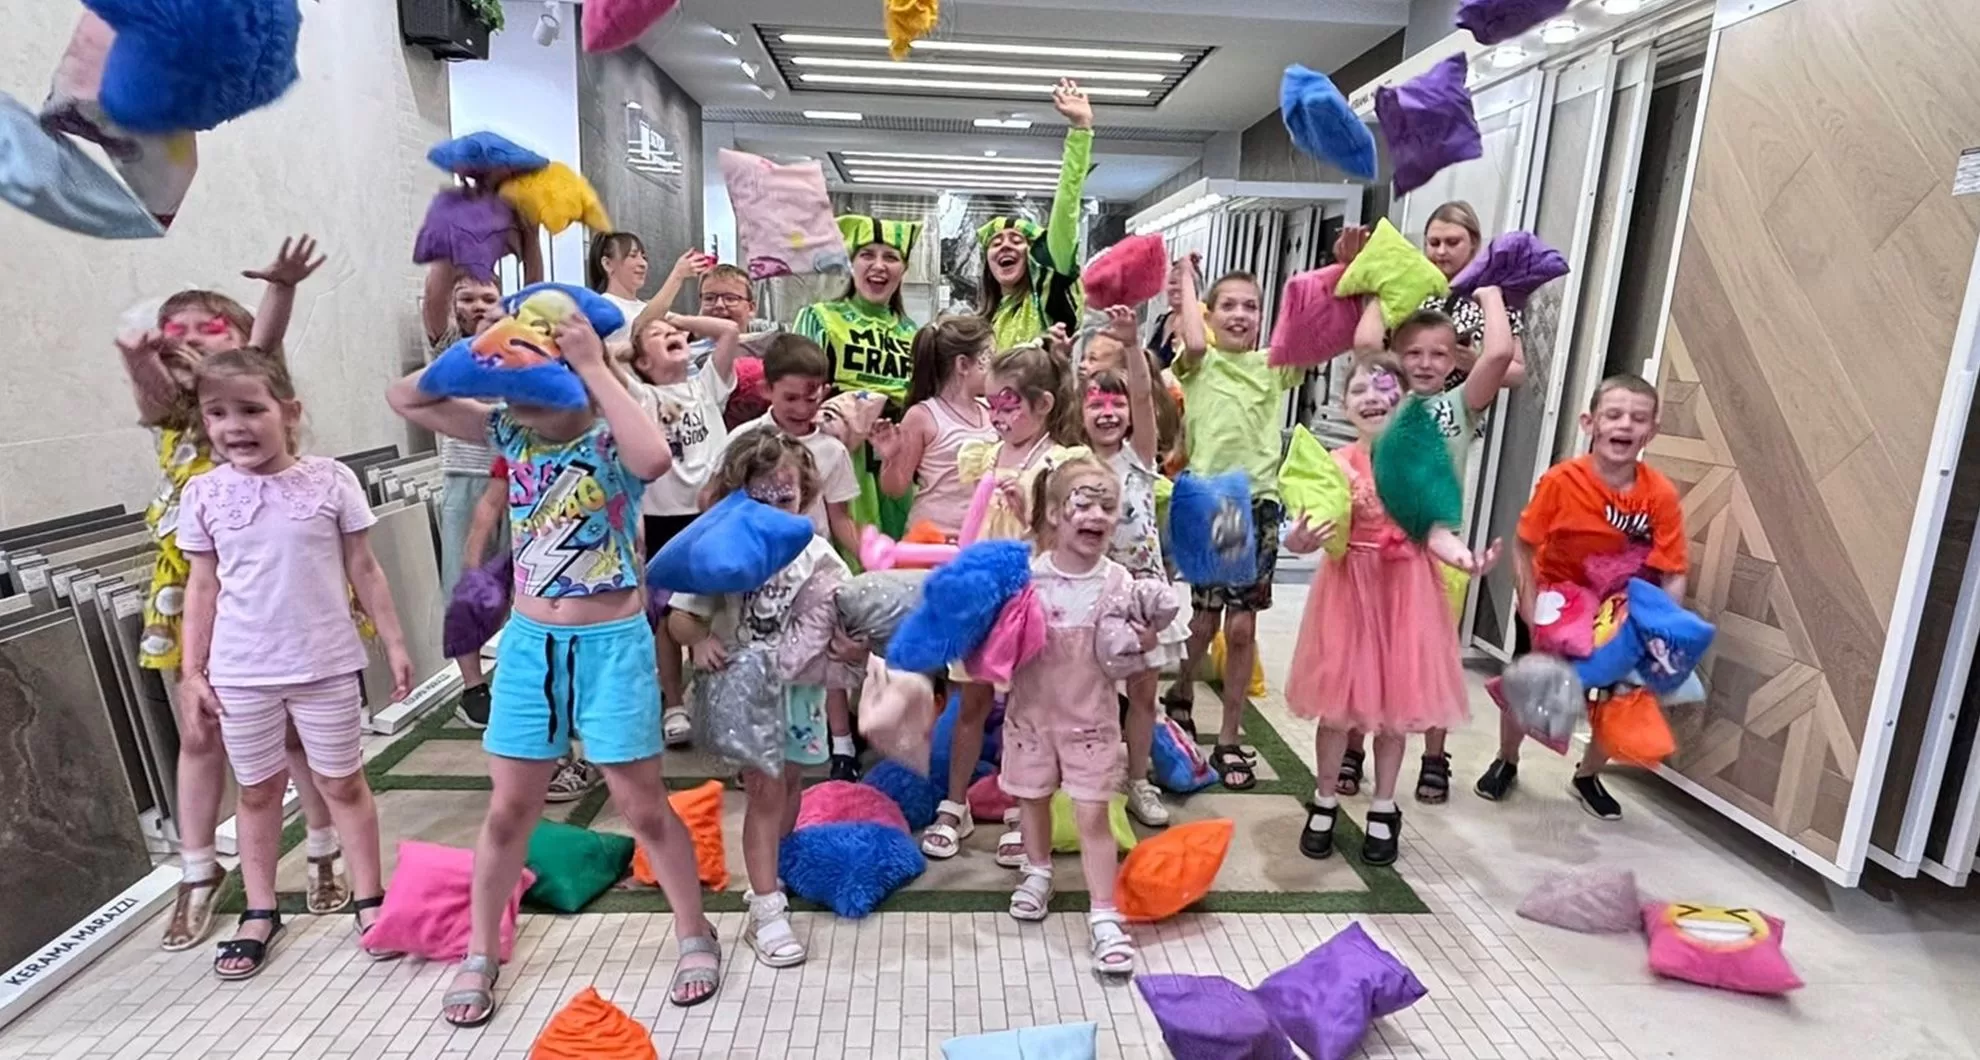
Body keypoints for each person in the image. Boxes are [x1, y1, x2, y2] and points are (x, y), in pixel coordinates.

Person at [387, 311, 721, 1025]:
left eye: (537, 390)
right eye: (515, 393)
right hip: (531, 645)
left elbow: (655, 461)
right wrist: (485, 349)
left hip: (611, 645)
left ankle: (695, 931)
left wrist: (595, 363)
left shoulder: (612, 433)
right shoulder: (509, 431)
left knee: (641, 805)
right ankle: (481, 950)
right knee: (510, 808)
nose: (523, 407)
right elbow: (404, 396)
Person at [116, 238, 354, 953]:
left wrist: (281, 288)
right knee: (199, 729)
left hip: (276, 583)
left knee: (297, 733)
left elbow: (264, 345)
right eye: (177, 331)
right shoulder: (179, 412)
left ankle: (322, 845)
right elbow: (153, 388)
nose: (191, 341)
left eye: (209, 329)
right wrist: (137, 355)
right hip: (192, 586)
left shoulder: (248, 394)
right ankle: (198, 870)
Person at [177, 348, 413, 979]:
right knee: (257, 792)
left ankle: (369, 898)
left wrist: (395, 643)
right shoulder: (204, 494)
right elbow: (202, 587)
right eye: (217, 413)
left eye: (251, 409)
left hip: (325, 665)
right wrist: (193, 672)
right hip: (241, 672)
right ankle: (260, 909)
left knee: (343, 784)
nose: (235, 426)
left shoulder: (331, 481)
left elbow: (365, 567)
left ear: (289, 411)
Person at [1283, 355, 1497, 866]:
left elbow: (1436, 532)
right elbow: (1303, 530)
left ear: (1405, 403)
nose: (1372, 398)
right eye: (1360, 390)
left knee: (1395, 713)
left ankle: (1383, 805)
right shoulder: (1334, 463)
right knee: (1336, 710)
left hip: (1405, 595)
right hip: (1347, 594)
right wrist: (1299, 539)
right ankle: (1325, 798)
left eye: (1384, 390)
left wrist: (1466, 559)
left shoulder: (1419, 465)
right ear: (1344, 404)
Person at [668, 432, 852, 968]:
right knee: (766, 794)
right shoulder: (723, 548)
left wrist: (851, 642)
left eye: (785, 497)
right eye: (760, 497)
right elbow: (680, 617)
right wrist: (701, 639)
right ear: (737, 494)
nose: (774, 509)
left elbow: (844, 610)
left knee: (791, 784)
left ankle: (771, 870)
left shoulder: (815, 552)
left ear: (805, 495)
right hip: (747, 695)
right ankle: (766, 907)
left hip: (800, 694)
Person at [1333, 289, 1521, 802]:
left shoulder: (1458, 404)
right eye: (1412, 352)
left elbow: (1499, 355)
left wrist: (1490, 294)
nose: (1425, 363)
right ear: (1395, 356)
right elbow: (1366, 343)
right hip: (1374, 550)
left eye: (1439, 353)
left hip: (1439, 552)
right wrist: (1381, 287)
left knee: (1430, 659)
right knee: (1367, 653)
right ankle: (1353, 747)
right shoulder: (1382, 403)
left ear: (1455, 358)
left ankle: (1434, 756)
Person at [1476, 374, 1686, 820]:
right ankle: (1506, 759)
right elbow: (1524, 544)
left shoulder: (1660, 495)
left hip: (1617, 607)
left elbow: (1673, 570)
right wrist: (1529, 604)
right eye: (1614, 415)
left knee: (1616, 696)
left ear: (1652, 431)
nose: (1625, 425)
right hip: (1554, 598)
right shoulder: (1561, 481)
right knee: (1528, 684)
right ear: (1591, 423)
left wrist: (1665, 629)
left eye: (1638, 418)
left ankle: (1588, 775)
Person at [924, 344, 1081, 861]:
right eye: (991, 404)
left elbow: (1065, 536)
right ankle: (955, 803)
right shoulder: (986, 454)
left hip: (1030, 603)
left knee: (1024, 709)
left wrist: (1030, 511)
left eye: (1009, 405)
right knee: (970, 702)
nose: (997, 416)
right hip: (982, 599)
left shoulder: (1060, 463)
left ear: (1043, 404)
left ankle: (1020, 806)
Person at [1002, 452, 1154, 975]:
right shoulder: (1027, 577)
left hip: (1092, 722)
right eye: (1083, 504)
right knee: (1032, 798)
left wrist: (1144, 638)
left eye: (1107, 507)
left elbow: (1126, 659)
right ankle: (1037, 870)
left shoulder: (1119, 582)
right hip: (1032, 718)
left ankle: (1105, 914)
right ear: (1053, 513)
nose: (1096, 515)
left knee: (1093, 815)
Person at [1163, 272, 1299, 791]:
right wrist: (1186, 279)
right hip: (1212, 500)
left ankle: (1229, 733)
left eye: (1251, 306)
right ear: (1210, 314)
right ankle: (1181, 688)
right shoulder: (1198, 363)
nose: (1240, 315)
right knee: (1204, 622)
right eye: (1228, 306)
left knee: (1241, 628)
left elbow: (1307, 333)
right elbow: (1196, 341)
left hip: (1257, 502)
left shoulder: (1273, 366)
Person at [719, 334, 864, 776]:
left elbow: (840, 517)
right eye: (791, 397)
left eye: (812, 396)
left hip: (812, 575)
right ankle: (752, 747)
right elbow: (722, 504)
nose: (803, 407)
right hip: (758, 575)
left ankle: (840, 745)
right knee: (757, 656)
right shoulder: (745, 439)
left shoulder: (832, 450)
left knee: (823, 659)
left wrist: (867, 561)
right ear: (767, 389)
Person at [1078, 306, 1190, 828]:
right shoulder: (1072, 464)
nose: (1108, 412)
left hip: (1145, 596)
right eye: (1096, 403)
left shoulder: (1139, 458)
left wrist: (1130, 345)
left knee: (1144, 696)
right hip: (1093, 596)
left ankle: (1139, 779)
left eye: (1116, 403)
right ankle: (1092, 777)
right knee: (1092, 695)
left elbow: (1146, 396)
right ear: (1079, 411)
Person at [623, 310, 741, 745]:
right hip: (662, 517)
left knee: (713, 607)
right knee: (662, 618)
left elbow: (729, 330)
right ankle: (673, 703)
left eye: (676, 332)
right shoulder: (640, 395)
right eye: (660, 336)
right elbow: (603, 360)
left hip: (712, 515)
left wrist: (673, 318)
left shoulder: (707, 384)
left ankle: (715, 696)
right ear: (641, 362)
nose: (672, 333)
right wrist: (636, 343)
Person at [794, 216, 924, 538]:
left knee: (898, 547)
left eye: (890, 257)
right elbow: (797, 389)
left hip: (897, 458)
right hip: (838, 457)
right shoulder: (820, 318)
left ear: (904, 269)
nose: (879, 265)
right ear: (851, 263)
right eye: (867, 255)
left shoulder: (916, 333)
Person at [1340, 202, 1528, 391]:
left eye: (1452, 242)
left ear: (1473, 243)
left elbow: (1517, 373)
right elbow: (1367, 345)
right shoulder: (1405, 286)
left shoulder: (1491, 298)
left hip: (1455, 405)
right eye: (1434, 243)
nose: (1441, 251)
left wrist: (1477, 363)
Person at [976, 79, 1094, 350]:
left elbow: (1066, 206)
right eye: (996, 242)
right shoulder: (985, 320)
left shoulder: (1048, 291)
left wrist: (1080, 129)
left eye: (1017, 240)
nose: (1005, 245)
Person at [870, 316, 998, 542]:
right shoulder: (922, 416)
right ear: (963, 364)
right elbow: (896, 489)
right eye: (989, 358)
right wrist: (891, 458)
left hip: (982, 538)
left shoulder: (992, 411)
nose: (996, 367)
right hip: (933, 539)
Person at [422, 264, 507, 597]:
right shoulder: (451, 348)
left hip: (516, 476)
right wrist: (448, 256)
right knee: (464, 584)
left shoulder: (516, 347)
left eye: (488, 298)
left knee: (516, 586)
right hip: (466, 475)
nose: (478, 306)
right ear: (453, 305)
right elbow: (433, 299)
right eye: (467, 298)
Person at [1143, 254, 1206, 369]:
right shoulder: (1163, 319)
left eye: (1184, 283)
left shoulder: (1201, 321)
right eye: (1172, 283)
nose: (1177, 288)